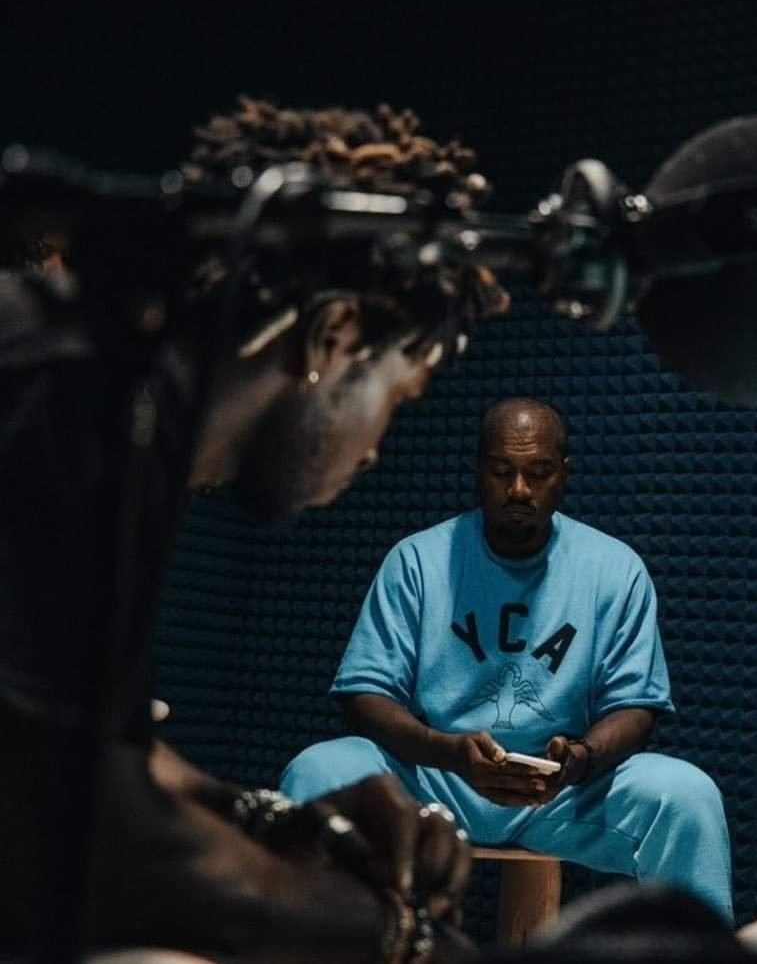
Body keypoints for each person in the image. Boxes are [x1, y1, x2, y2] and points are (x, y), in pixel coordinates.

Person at [0, 99, 509, 961]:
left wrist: (277, 821)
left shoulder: (116, 401)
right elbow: (92, 855)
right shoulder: (59, 401)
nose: (375, 447)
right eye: (398, 394)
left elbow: (81, 758)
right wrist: (401, 939)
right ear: (333, 336)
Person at [281, 397, 734, 926]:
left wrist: (581, 758)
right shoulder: (418, 560)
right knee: (319, 771)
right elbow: (365, 694)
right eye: (501, 471)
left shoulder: (615, 569)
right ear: (479, 471)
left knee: (687, 796)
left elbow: (636, 706)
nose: (519, 489)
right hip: (436, 778)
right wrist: (447, 752)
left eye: (538, 472)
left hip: (561, 793)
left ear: (563, 474)